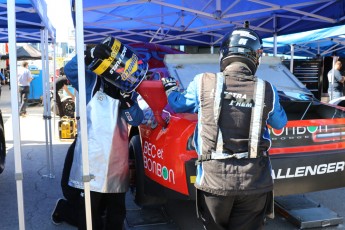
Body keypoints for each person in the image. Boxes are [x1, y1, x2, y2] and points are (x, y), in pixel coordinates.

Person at [162, 25, 287, 230]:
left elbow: (178, 104)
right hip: (255, 182)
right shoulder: (267, 89)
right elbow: (280, 123)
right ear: (256, 57)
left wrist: (170, 89)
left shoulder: (202, 82)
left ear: (225, 53)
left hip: (214, 181)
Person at [51, 44, 144, 230]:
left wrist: (128, 103)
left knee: (117, 211)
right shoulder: (91, 81)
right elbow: (70, 70)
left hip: (117, 161)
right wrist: (88, 53)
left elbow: (136, 119)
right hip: (92, 157)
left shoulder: (127, 90)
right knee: (89, 214)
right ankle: (64, 209)